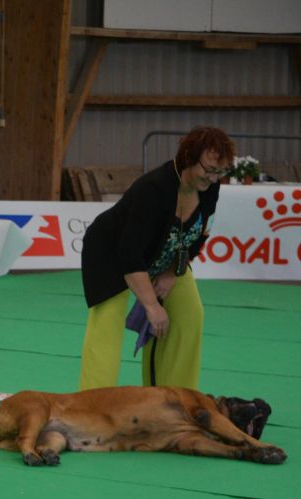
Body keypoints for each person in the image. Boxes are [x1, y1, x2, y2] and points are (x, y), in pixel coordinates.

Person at [78, 125, 235, 391]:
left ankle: (177, 402)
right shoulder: (153, 189)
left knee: (191, 315)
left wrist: (173, 271)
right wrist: (151, 306)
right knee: (107, 327)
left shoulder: (211, 188)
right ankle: (90, 406)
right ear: (188, 157)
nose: (212, 178)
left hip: (165, 256)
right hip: (110, 254)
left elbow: (199, 235)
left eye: (220, 171)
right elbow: (129, 254)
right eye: (208, 169)